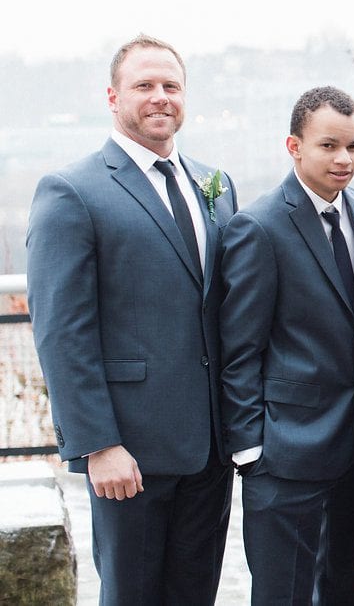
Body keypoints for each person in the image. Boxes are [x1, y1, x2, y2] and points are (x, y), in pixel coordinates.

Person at [26, 35, 237, 604]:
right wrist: (98, 444)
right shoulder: (72, 190)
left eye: (171, 86)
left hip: (211, 448)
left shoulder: (214, 187)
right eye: (144, 85)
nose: (160, 97)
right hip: (129, 451)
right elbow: (60, 332)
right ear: (113, 96)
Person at [219, 86, 354, 605]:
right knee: (283, 594)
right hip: (284, 450)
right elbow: (239, 348)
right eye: (329, 145)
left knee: (343, 588)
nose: (344, 159)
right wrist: (250, 451)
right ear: (294, 146)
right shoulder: (259, 226)